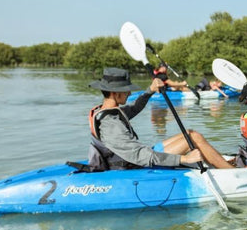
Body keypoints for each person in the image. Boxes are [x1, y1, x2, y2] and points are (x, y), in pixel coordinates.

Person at [88, 67, 234, 171]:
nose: (129, 92)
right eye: (126, 89)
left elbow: (134, 109)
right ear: (115, 93)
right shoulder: (110, 124)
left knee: (189, 134)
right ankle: (232, 173)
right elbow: (140, 156)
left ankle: (221, 162)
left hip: (134, 156)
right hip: (133, 164)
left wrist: (150, 91)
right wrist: (184, 159)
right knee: (194, 138)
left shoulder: (106, 111)